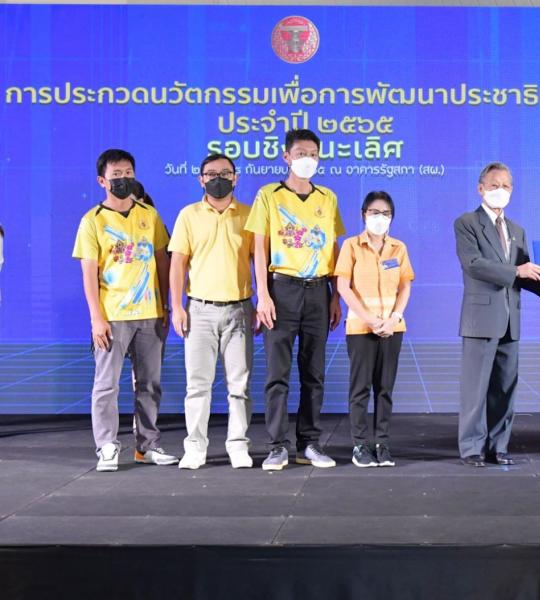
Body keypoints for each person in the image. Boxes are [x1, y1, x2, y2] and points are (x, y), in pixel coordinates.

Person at [72, 148, 177, 472]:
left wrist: (165, 305)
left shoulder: (150, 215)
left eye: (128, 173)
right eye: (116, 175)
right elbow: (89, 274)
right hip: (112, 317)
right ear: (102, 181)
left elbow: (162, 261)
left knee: (149, 385)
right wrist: (96, 318)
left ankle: (147, 446)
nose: (123, 179)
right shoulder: (92, 220)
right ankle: (106, 445)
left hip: (150, 314)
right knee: (107, 385)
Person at [246, 129, 345, 471]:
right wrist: (262, 295)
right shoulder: (268, 195)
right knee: (278, 374)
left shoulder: (327, 197)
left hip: (318, 291)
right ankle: (277, 446)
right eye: (301, 153)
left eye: (313, 154)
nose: (308, 160)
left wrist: (335, 296)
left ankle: (309, 443)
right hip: (282, 290)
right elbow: (259, 248)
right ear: (286, 157)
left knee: (313, 373)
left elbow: (333, 247)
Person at [454, 162, 540, 467]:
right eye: (494, 185)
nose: (500, 190)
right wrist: (517, 271)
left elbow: (525, 274)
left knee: (505, 388)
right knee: (476, 389)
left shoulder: (517, 230)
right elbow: (473, 264)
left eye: (506, 186)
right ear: (481, 188)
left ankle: (498, 446)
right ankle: (472, 449)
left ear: (512, 190)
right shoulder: (466, 223)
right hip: (480, 319)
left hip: (511, 320)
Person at [169, 153, 255, 469]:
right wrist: (176, 306)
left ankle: (238, 445)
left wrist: (261, 302)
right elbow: (177, 264)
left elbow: (259, 262)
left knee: (240, 386)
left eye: (225, 173)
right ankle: (195, 447)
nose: (218, 178)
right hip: (199, 311)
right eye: (211, 174)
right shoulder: (188, 215)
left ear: (235, 177)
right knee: (197, 385)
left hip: (239, 310)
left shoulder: (249, 215)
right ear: (201, 179)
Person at [335, 191, 414, 467]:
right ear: (364, 214)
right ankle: (360, 445)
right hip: (361, 328)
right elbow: (343, 286)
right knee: (360, 389)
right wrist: (369, 319)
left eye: (385, 213)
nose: (380, 218)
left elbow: (405, 286)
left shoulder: (398, 248)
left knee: (385, 388)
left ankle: (382, 443)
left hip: (392, 328)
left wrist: (394, 318)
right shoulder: (351, 246)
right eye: (374, 212)